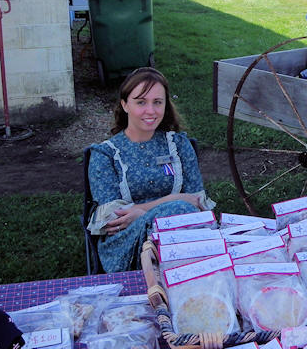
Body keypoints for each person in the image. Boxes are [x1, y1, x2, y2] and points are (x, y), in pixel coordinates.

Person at [87, 67, 215, 272]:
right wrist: (174, 200)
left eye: (157, 102)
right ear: (125, 105)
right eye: (141, 102)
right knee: (180, 209)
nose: (151, 111)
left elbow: (198, 204)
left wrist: (140, 211)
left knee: (184, 213)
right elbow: (113, 219)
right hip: (127, 240)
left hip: (181, 230)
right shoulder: (105, 154)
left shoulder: (179, 145)